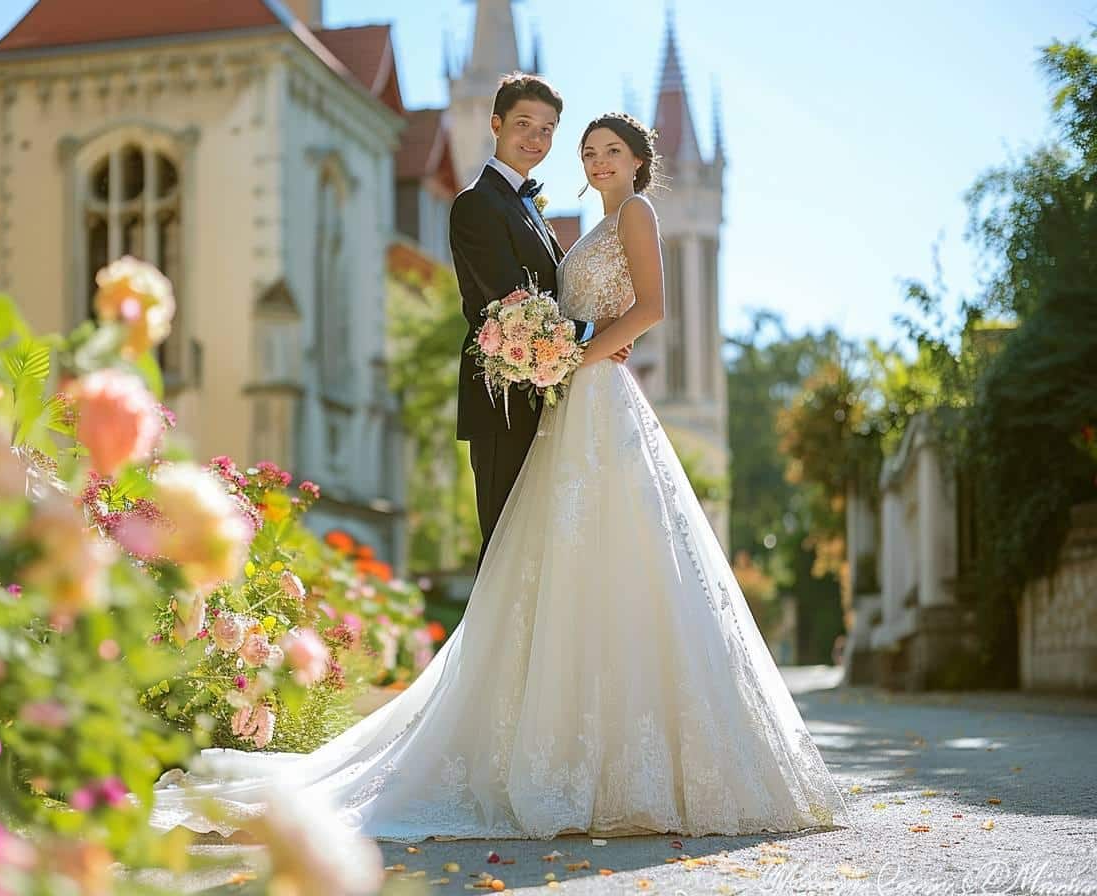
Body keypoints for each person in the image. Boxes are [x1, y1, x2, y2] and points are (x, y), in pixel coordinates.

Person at [149, 103, 851, 843]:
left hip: (598, 398)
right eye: (589, 151)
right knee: (558, 564)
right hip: (564, 402)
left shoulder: (637, 214)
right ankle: (553, 744)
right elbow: (531, 302)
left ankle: (632, 759)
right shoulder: (559, 224)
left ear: (640, 162)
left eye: (611, 150)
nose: (598, 161)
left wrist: (577, 352)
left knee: (622, 558)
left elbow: (652, 307)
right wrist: (567, 348)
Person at [448, 73, 629, 565]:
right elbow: (511, 306)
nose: (535, 138)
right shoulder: (476, 204)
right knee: (506, 552)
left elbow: (556, 297)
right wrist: (595, 335)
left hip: (545, 397)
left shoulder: (527, 206)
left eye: (547, 129)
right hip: (501, 399)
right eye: (524, 124)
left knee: (544, 551)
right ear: (496, 124)